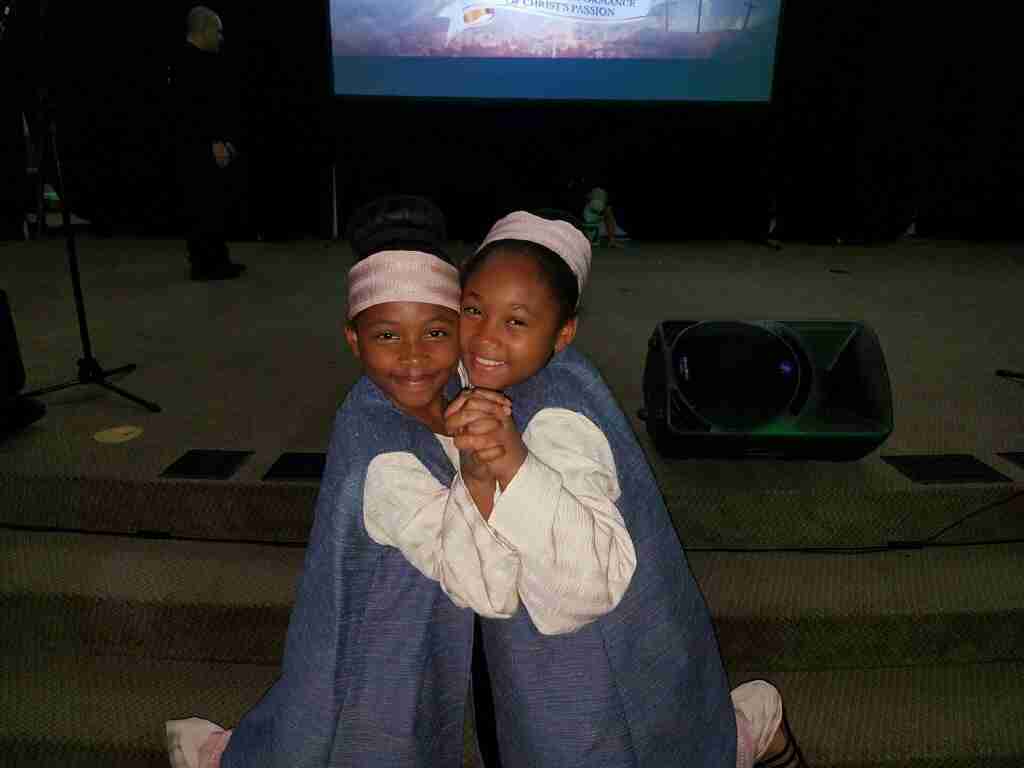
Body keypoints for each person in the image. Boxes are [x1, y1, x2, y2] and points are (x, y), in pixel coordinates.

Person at [443, 210, 807, 767]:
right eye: (474, 309)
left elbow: (587, 580)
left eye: (516, 321)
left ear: (563, 333)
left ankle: (753, 728)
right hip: (581, 637)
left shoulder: (557, 421)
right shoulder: (507, 381)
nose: (486, 336)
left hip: (593, 647)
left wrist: (511, 463)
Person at [166, 199, 514, 767]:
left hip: (395, 616)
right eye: (387, 336)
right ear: (354, 339)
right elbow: (485, 586)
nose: (414, 358)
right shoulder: (386, 461)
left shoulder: (431, 391)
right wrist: (489, 473)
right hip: (381, 651)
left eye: (435, 331)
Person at [169, 6, 246, 281]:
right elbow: (192, 112)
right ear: (204, 30)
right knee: (202, 205)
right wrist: (213, 142)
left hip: (205, 145)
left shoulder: (201, 62)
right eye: (218, 31)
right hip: (197, 149)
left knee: (213, 204)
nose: (221, 37)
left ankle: (217, 258)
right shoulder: (186, 64)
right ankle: (205, 264)